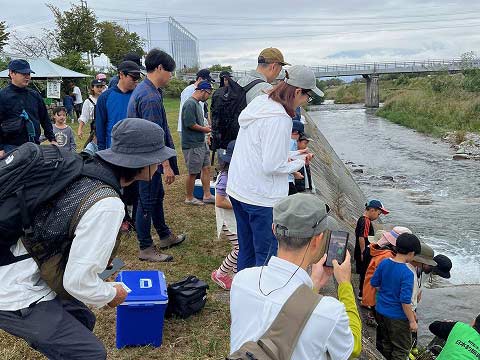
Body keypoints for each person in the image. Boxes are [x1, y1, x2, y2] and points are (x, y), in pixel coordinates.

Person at [0, 118, 176, 359]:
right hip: (14, 288)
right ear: (143, 163)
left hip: (23, 257)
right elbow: (78, 283)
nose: (159, 163)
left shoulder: (84, 166)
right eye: (157, 158)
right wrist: (112, 294)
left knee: (82, 318)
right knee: (90, 354)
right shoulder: (107, 204)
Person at [230, 193, 362, 360]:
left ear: (273, 230)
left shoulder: (242, 280)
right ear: (318, 239)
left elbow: (281, 310)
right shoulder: (329, 312)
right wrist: (345, 284)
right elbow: (353, 348)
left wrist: (313, 285)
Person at [227, 65, 319, 271]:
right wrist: (300, 162)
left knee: (247, 249)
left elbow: (265, 152)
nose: (306, 101)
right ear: (297, 91)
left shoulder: (261, 103)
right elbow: (272, 165)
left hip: (240, 188)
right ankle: (261, 297)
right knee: (265, 255)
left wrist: (296, 154)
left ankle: (243, 292)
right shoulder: (280, 119)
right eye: (308, 96)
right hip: (261, 197)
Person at [127, 48, 186, 262]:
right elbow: (154, 136)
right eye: (170, 71)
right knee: (146, 200)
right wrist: (166, 165)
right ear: (159, 68)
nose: (171, 76)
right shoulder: (149, 96)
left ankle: (164, 235)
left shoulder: (149, 90)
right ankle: (145, 247)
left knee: (156, 196)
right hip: (147, 161)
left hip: (147, 159)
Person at [371, 233, 421, 360]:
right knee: (401, 349)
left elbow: (374, 283)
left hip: (381, 311)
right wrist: (412, 321)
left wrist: (387, 293)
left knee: (386, 343)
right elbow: (405, 301)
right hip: (398, 317)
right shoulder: (408, 273)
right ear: (411, 253)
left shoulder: (384, 262)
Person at [0, 59, 55, 157]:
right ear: (12, 73)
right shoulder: (2, 96)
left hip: (33, 145)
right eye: (23, 74)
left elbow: (45, 119)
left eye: (29, 74)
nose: (27, 77)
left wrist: (52, 139)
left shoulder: (34, 95)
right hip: (10, 147)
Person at [181, 80, 215, 206]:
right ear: (202, 91)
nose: (208, 97)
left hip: (201, 142)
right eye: (208, 93)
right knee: (193, 172)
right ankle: (189, 197)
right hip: (192, 144)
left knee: (206, 168)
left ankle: (207, 195)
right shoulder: (190, 104)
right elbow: (189, 124)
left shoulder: (197, 104)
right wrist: (205, 130)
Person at [211, 140, 238, 290]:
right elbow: (220, 201)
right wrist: (239, 205)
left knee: (242, 245)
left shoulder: (234, 174)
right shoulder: (225, 177)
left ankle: (236, 274)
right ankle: (220, 274)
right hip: (228, 219)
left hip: (235, 217)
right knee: (239, 248)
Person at [96, 60, 141, 151]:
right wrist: (101, 151)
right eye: (133, 78)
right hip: (113, 150)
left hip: (136, 150)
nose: (136, 81)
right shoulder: (105, 97)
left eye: (137, 79)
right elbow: (100, 127)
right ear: (121, 75)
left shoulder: (139, 96)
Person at [355, 199, 389, 300]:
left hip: (361, 251)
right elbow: (362, 237)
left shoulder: (362, 219)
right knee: (365, 273)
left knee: (363, 273)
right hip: (364, 251)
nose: (378, 217)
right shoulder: (366, 221)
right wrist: (363, 252)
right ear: (372, 210)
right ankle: (363, 294)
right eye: (378, 214)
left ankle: (362, 293)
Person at [177, 68, 215, 133]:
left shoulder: (202, 90)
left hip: (198, 127)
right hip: (188, 129)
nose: (208, 83)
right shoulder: (188, 91)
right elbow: (187, 113)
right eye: (206, 81)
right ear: (199, 79)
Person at [288, 120, 305, 196]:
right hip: (287, 179)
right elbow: (286, 159)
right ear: (295, 132)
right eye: (300, 134)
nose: (299, 138)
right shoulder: (291, 141)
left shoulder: (285, 140)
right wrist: (295, 173)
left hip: (286, 178)